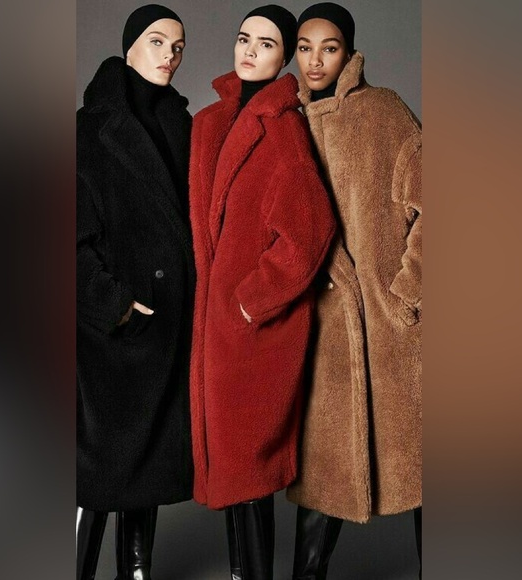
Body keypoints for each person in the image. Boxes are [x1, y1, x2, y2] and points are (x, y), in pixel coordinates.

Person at [188, 5, 336, 579]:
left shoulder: (284, 129)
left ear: (284, 57)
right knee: (229, 469)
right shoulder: (210, 122)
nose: (249, 51)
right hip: (214, 327)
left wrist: (250, 301)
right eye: (244, 38)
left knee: (247, 469)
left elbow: (311, 230)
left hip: (253, 332)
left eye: (267, 44)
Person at [286, 3, 422, 579]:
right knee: (325, 470)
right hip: (320, 328)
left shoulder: (385, 112)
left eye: (330, 47)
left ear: (349, 53)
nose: (315, 60)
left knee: (422, 466)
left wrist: (406, 293)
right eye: (305, 47)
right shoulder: (285, 121)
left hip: (393, 330)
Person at [76, 5, 195, 579]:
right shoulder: (88, 129)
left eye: (178, 46)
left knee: (147, 469)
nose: (169, 55)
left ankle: (136, 572)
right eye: (156, 41)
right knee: (97, 472)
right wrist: (115, 305)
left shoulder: (183, 125)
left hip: (170, 326)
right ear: (129, 48)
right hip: (115, 333)